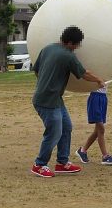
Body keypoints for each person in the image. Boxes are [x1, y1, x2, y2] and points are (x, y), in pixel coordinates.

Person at [31, 26, 105, 178]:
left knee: (66, 127)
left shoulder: (48, 48)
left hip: (53, 98)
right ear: (71, 43)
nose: (78, 48)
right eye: (77, 44)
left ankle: (62, 163)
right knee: (54, 132)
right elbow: (84, 74)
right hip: (46, 100)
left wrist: (45, 83)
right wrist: (99, 80)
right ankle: (39, 164)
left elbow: (36, 69)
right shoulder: (68, 55)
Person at [75, 73, 112, 165]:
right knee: (101, 129)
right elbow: (87, 75)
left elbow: (111, 72)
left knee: (97, 131)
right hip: (95, 97)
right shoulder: (95, 70)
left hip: (103, 98)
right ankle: (105, 156)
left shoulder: (105, 67)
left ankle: (82, 151)